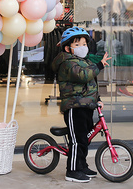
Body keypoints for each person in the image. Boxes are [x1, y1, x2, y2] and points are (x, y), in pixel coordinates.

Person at [51, 26, 111, 183]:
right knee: (77, 141)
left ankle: (82, 166)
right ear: (67, 48)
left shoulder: (85, 61)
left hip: (86, 106)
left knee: (84, 139)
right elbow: (83, 76)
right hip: (74, 106)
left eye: (84, 44)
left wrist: (97, 99)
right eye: (77, 45)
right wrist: (99, 65)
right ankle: (72, 171)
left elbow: (91, 83)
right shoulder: (67, 63)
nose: (82, 48)